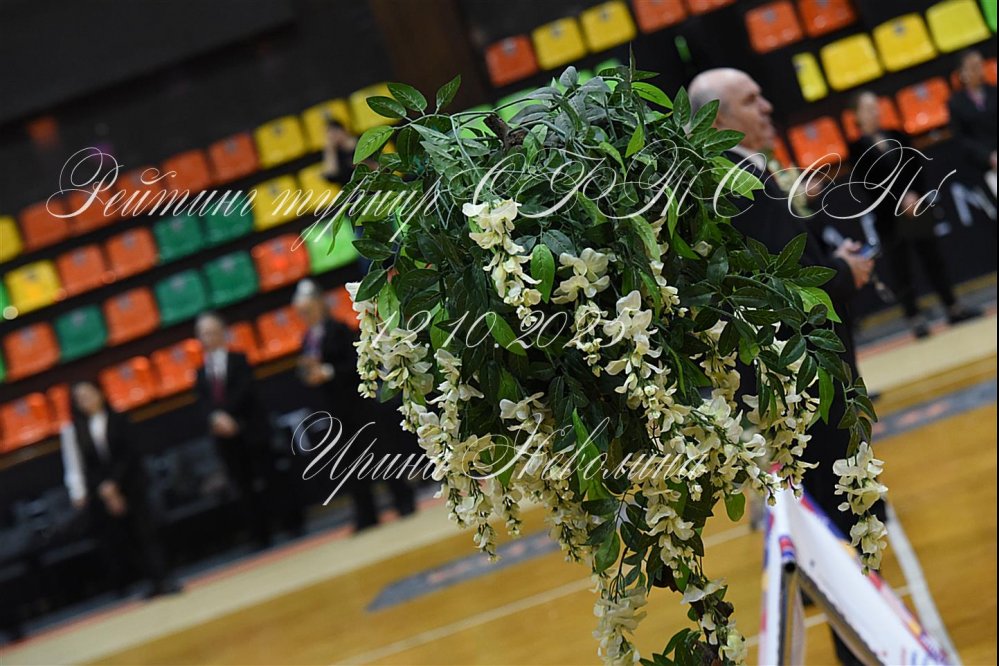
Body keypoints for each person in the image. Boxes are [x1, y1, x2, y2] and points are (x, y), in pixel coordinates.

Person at [689, 68, 878, 666]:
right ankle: (863, 652)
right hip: (804, 388)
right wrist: (845, 273)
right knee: (844, 532)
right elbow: (784, 288)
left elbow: (778, 261)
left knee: (838, 530)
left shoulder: (743, 172)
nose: (768, 106)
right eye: (751, 100)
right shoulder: (738, 180)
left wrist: (824, 246)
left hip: (796, 387)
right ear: (718, 119)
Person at [850, 90, 982, 338]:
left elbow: (916, 167)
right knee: (901, 270)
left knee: (934, 260)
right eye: (868, 108)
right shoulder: (857, 148)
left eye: (875, 106)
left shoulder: (897, 135)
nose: (874, 112)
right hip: (889, 217)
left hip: (917, 208)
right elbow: (869, 185)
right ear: (857, 115)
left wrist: (914, 196)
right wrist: (900, 200)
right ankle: (914, 318)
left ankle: (953, 307)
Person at [293, 279, 416, 531]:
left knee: (381, 453)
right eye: (302, 312)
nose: (306, 315)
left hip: (357, 403)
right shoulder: (306, 339)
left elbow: (355, 364)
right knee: (348, 462)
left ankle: (403, 500)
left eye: (308, 309)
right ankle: (366, 514)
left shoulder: (338, 329)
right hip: (333, 409)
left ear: (319, 304)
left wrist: (327, 372)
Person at [59, 381, 180, 598]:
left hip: (131, 484)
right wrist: (95, 490)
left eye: (89, 395)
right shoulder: (73, 431)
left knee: (146, 532)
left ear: (100, 394)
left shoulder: (119, 418)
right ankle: (147, 581)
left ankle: (163, 578)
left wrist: (114, 483)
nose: (86, 401)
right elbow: (79, 466)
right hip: (101, 493)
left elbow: (129, 454)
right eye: (80, 399)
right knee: (123, 538)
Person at [194, 311, 273, 548]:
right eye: (203, 334)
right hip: (224, 437)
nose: (208, 337)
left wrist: (228, 415)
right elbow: (204, 403)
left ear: (222, 332)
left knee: (267, 477)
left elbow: (245, 390)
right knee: (242, 485)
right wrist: (216, 418)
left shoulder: (238, 359)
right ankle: (259, 535)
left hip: (249, 429)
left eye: (211, 332)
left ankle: (289, 523)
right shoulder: (201, 372)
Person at [948, 49, 997, 196]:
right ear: (962, 73)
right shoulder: (956, 103)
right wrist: (988, 156)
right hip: (983, 165)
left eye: (980, 65)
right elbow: (961, 138)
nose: (979, 70)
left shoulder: (994, 91)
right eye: (973, 67)